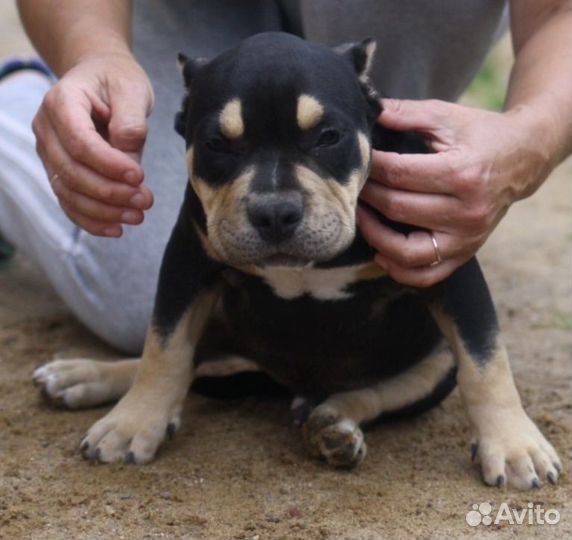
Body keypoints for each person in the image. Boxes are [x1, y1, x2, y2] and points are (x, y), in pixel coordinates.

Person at [1, 0, 570, 354]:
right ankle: (15, 107)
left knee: (371, 222)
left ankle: (349, 136)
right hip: (189, 16)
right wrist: (94, 54)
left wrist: (530, 135)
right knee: (139, 296)